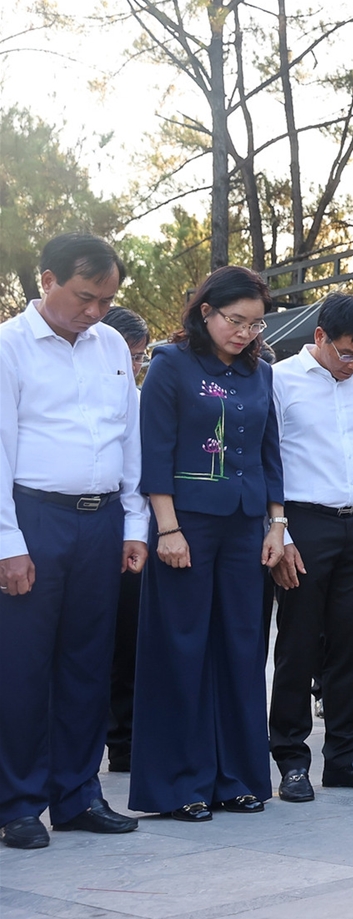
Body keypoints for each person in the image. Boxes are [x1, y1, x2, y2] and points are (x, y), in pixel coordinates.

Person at [0, 235, 146, 850]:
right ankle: (19, 803)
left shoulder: (112, 344)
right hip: (35, 517)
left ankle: (78, 793)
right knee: (23, 666)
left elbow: (129, 437)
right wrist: (8, 540)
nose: (94, 311)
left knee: (89, 660)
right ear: (48, 279)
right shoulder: (9, 346)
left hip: (102, 518)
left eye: (106, 300)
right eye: (85, 297)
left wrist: (134, 524)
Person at [132, 265, 284, 822]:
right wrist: (166, 528)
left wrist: (278, 525)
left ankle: (239, 777)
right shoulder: (172, 365)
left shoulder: (261, 371)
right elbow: (156, 451)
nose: (244, 332)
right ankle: (180, 783)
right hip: (186, 526)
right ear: (206, 313)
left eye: (255, 324)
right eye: (235, 320)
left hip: (248, 526)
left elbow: (271, 453)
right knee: (183, 648)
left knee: (243, 648)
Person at [267, 293, 353, 802]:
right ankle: (291, 758)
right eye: (347, 353)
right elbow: (269, 462)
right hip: (303, 522)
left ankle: (344, 756)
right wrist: (282, 533)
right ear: (319, 336)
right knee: (299, 645)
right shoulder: (281, 381)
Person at [100, 305, 151, 775]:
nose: (136, 366)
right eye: (131, 356)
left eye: (141, 356)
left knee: (129, 638)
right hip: (82, 521)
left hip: (133, 526)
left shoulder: (139, 397)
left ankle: (125, 742)